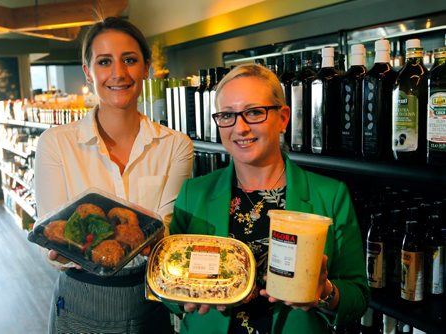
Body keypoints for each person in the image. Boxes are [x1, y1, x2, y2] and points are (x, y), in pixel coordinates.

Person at [166, 64, 369, 333]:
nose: (240, 128)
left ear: (283, 118)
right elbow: (169, 281)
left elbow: (357, 299)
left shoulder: (329, 195)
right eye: (227, 115)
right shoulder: (194, 193)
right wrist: (181, 299)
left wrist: (325, 292)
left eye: (253, 112)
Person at [34, 16, 194, 333]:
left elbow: (164, 234)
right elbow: (51, 236)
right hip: (80, 298)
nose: (118, 73)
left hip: (150, 297)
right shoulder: (56, 143)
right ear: (88, 72)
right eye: (104, 61)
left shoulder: (175, 145)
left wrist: (85, 242)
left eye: (130, 60)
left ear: (146, 67)